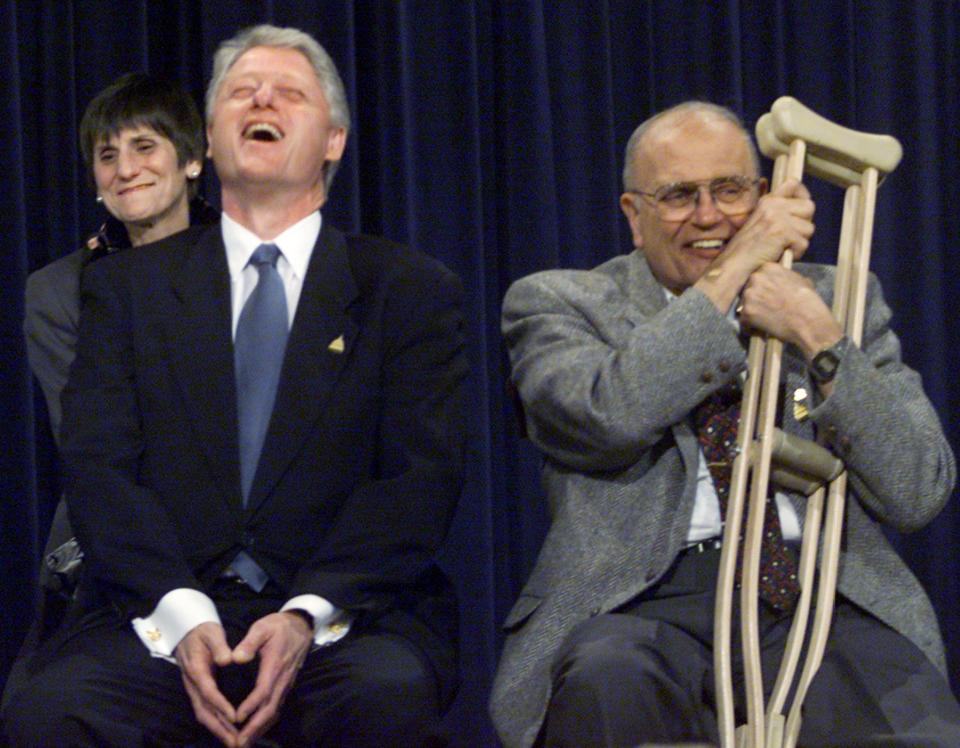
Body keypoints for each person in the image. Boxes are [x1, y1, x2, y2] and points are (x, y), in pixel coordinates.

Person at [2, 23, 468, 748]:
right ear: (211, 142)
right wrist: (183, 613)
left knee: (386, 702)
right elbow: (98, 468)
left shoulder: (407, 288)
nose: (264, 100)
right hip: (161, 615)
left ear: (335, 140)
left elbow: (419, 480)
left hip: (341, 619)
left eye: (290, 93)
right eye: (243, 91)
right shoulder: (125, 290)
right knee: (50, 713)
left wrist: (306, 612)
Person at [489, 101, 960, 747]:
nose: (709, 216)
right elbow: (611, 414)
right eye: (680, 195)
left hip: (816, 589)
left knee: (913, 722)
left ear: (761, 196)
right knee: (606, 686)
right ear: (634, 215)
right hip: (641, 603)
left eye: (730, 190)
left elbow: (918, 488)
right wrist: (734, 272)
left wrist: (820, 340)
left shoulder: (837, 298)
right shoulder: (560, 302)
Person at [22, 71, 219, 610]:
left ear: (194, 159)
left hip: (251, 537)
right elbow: (93, 447)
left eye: (145, 146)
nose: (126, 170)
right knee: (42, 696)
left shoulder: (252, 266)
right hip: (113, 540)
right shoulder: (59, 291)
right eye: (108, 156)